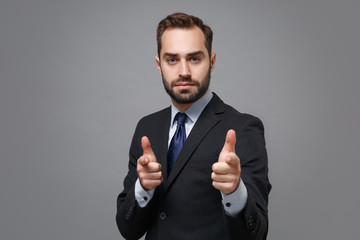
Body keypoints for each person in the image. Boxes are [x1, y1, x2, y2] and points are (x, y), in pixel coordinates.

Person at [116, 12, 271, 240]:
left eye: (195, 58)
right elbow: (128, 230)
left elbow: (256, 234)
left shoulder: (243, 128)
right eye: (172, 60)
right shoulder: (146, 127)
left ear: (212, 61)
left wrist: (235, 191)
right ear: (159, 65)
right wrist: (143, 188)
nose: (184, 72)